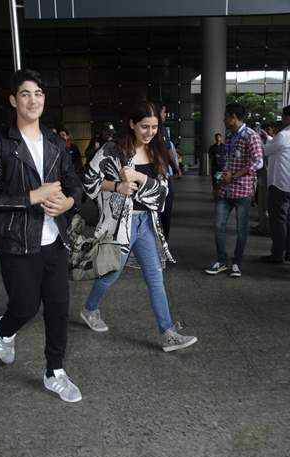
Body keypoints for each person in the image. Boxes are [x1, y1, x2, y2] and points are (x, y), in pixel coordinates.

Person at [0, 69, 83, 402]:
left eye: (38, 93)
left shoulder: (54, 142)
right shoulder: (0, 144)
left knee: (58, 307)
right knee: (24, 307)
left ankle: (55, 372)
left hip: (55, 241)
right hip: (17, 243)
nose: (32, 99)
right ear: (13, 100)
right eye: (24, 93)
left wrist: (68, 202)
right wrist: (31, 197)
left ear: (44, 99)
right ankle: (5, 329)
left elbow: (75, 183)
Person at [81, 101, 197, 352]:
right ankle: (89, 309)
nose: (150, 132)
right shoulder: (113, 150)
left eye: (155, 127)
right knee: (112, 273)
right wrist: (117, 186)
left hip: (147, 222)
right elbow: (89, 180)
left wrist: (141, 178)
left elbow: (163, 191)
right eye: (145, 126)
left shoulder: (157, 151)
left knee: (155, 278)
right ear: (132, 124)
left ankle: (167, 332)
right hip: (122, 223)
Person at [205, 103, 263, 277]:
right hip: (225, 190)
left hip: (243, 191)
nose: (223, 119)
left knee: (241, 229)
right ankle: (222, 261)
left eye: (225, 116)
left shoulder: (250, 136)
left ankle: (236, 263)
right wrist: (218, 185)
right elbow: (227, 164)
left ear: (233, 116)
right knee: (218, 226)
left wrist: (235, 176)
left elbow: (258, 162)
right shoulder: (230, 137)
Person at [260, 106, 290, 264]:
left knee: (278, 221)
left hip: (281, 184)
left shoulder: (284, 135)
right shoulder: (282, 137)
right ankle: (288, 252)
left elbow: (265, 151)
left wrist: (261, 140)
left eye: (284, 117)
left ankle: (277, 254)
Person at [159, 104, 182, 241]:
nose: (165, 115)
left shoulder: (164, 131)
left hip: (166, 175)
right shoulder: (148, 131)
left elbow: (168, 150)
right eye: (164, 112)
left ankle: (164, 241)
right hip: (153, 176)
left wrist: (176, 167)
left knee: (167, 209)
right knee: (156, 211)